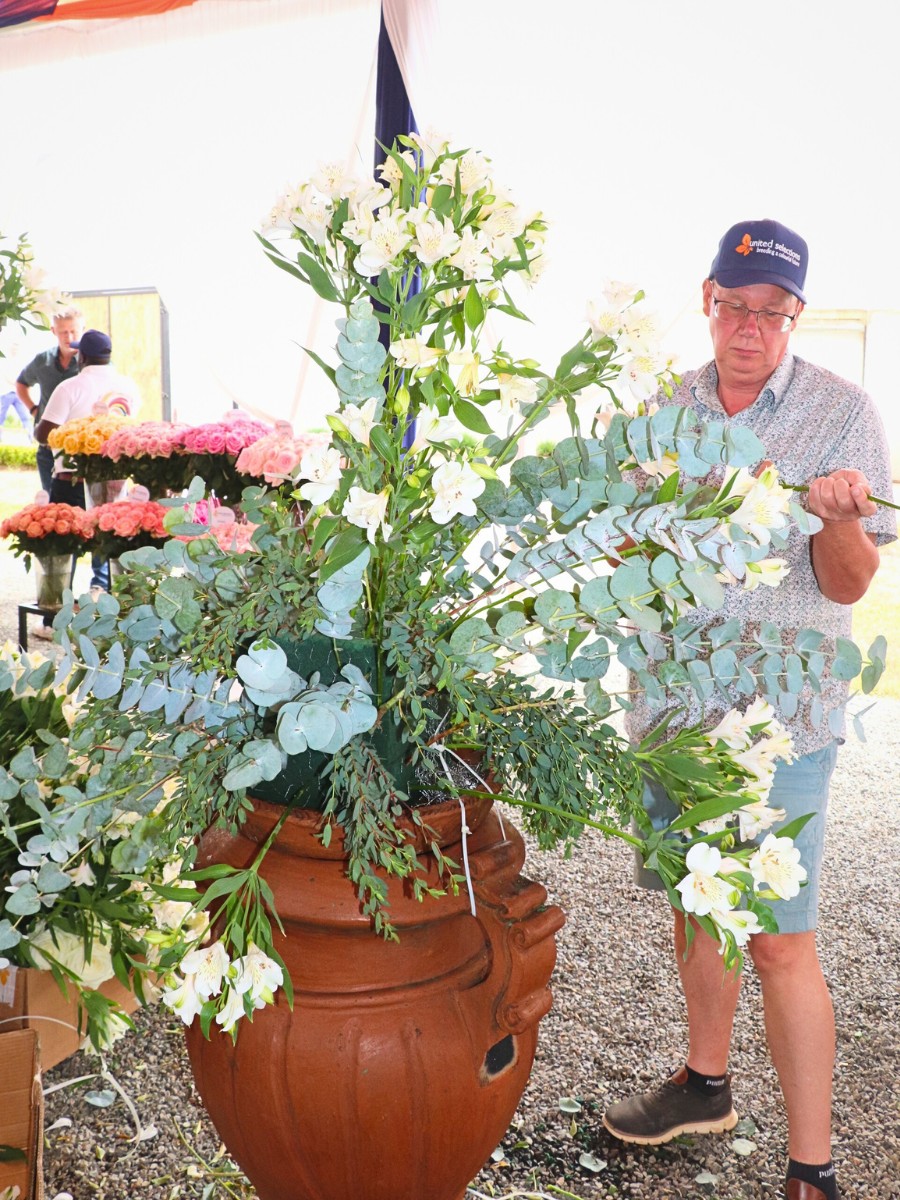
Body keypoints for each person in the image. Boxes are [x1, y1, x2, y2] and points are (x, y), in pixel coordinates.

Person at [601, 220, 896, 1200]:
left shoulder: (843, 414)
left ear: (795, 315)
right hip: (673, 713)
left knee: (777, 940)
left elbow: (848, 585)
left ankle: (813, 1168)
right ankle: (705, 1084)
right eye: (735, 305)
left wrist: (839, 519)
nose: (750, 328)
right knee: (699, 905)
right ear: (708, 300)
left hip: (782, 721)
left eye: (772, 312)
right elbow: (621, 549)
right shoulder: (660, 410)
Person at [35, 328, 141, 594]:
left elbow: (43, 434)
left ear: (81, 357)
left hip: (71, 481)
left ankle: (56, 605)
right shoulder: (128, 387)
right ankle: (114, 602)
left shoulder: (69, 387)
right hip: (115, 481)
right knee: (111, 542)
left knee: (64, 546)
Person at [15, 307, 83, 493]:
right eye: (63, 332)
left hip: (80, 449)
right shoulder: (42, 361)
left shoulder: (90, 363)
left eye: (74, 331)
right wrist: (33, 409)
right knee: (50, 502)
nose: (69, 336)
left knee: (80, 501)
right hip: (47, 448)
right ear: (53, 331)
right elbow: (21, 383)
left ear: (82, 329)